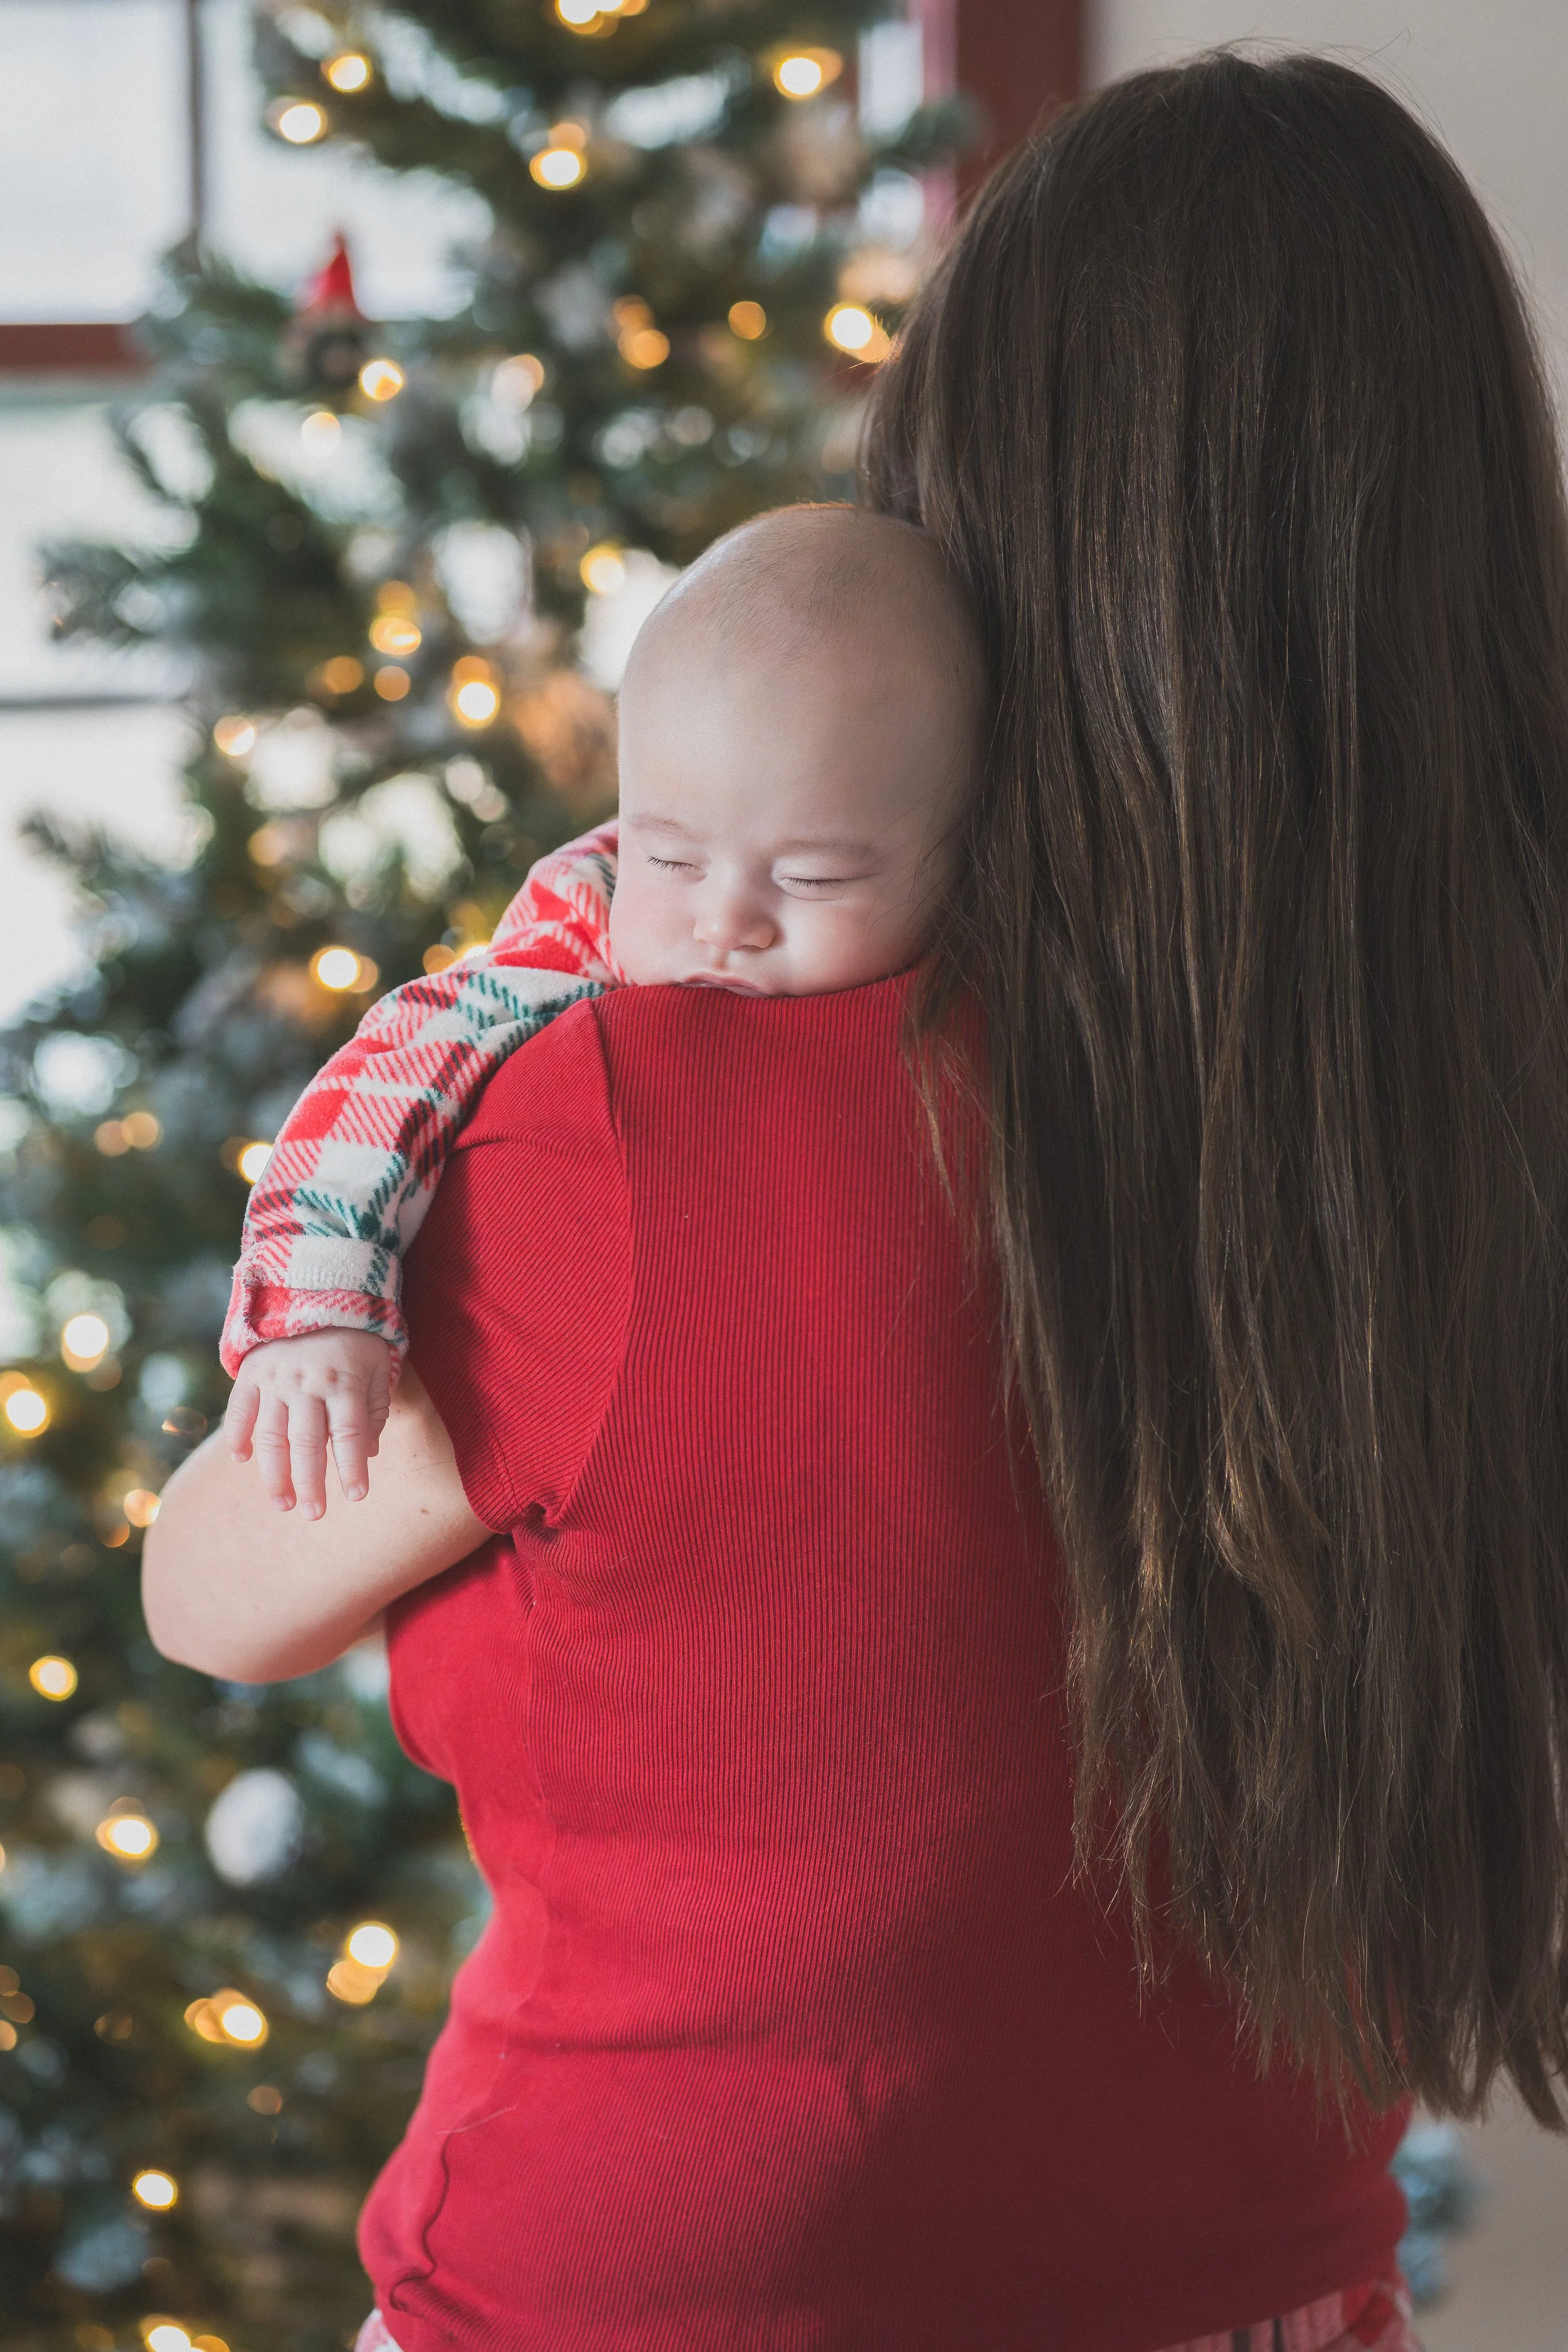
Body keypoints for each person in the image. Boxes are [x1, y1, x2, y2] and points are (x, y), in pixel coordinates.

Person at [145, 48, 1568, 2352]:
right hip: (1259, 2293)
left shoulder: (645, 1114)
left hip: (671, 2300)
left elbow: (217, 1594)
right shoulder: (1487, 1094)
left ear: (973, 499)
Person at [217, 503, 982, 1517]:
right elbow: (387, 1074)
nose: (724, 920)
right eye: (671, 858)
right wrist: (316, 1308)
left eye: (809, 877)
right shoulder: (579, 942)